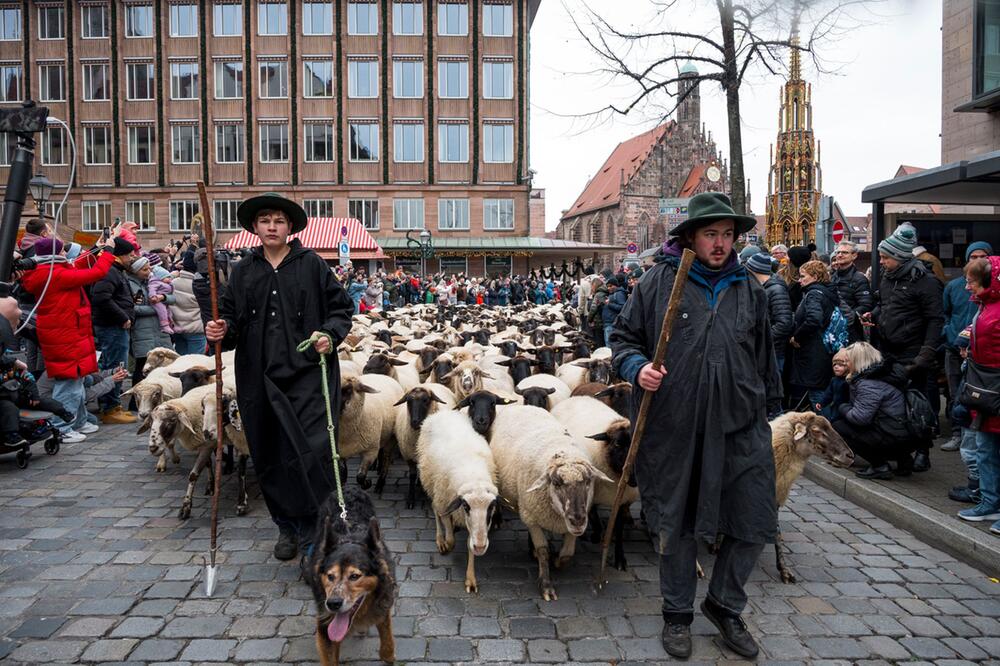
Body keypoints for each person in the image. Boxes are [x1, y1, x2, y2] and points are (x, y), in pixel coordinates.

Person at [611, 192, 779, 660]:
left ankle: (724, 605)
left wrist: (771, 408)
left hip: (740, 424)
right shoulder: (658, 283)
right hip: (676, 426)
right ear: (690, 237)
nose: (721, 243)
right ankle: (677, 615)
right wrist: (637, 367)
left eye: (728, 235)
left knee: (754, 520)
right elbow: (622, 339)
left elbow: (765, 357)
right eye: (711, 234)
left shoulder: (750, 288)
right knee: (677, 523)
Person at [206, 193, 354, 561]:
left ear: (290, 228)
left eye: (279, 221)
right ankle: (286, 525)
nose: (272, 226)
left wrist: (329, 335)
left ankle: (313, 528)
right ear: (255, 227)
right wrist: (218, 330)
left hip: (307, 375)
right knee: (269, 451)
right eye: (265, 220)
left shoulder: (312, 265)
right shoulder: (243, 271)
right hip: (258, 376)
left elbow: (341, 308)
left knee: (313, 452)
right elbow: (231, 321)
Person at [19, 236, 118, 441]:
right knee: (69, 384)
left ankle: (79, 421)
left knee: (76, 381)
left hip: (67, 332)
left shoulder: (49, 270)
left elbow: (75, 265)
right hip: (65, 334)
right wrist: (108, 251)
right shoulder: (54, 274)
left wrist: (96, 249)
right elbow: (97, 272)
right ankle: (61, 427)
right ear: (55, 255)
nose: (66, 254)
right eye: (63, 251)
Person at [863, 224, 944, 473]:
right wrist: (873, 315)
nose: (882, 262)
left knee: (918, 404)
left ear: (899, 257)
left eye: (886, 257)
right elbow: (886, 306)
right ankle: (902, 451)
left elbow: (935, 319)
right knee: (895, 405)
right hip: (889, 349)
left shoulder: (925, 281)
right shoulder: (888, 279)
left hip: (914, 352)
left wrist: (926, 353)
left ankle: (923, 450)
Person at [956, 255, 1000, 534]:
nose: (967, 287)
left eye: (972, 282)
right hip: (983, 388)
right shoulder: (984, 307)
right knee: (985, 450)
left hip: (993, 386)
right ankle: (990, 501)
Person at [941, 241, 993, 451]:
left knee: (976, 396)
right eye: (973, 257)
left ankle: (974, 439)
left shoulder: (991, 287)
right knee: (956, 394)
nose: (978, 260)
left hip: (979, 353)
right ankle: (957, 434)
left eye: (982, 256)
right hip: (954, 348)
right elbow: (945, 312)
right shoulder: (954, 286)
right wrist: (949, 332)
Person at [833, 342, 912, 479]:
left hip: (893, 435)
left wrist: (842, 407)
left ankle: (880, 466)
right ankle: (904, 461)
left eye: (848, 360)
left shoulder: (868, 383)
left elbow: (860, 418)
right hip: (902, 431)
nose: (846, 363)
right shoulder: (881, 373)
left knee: (840, 426)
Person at [88, 236, 141, 424]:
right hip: (112, 327)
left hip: (114, 326)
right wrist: (123, 316)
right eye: (129, 255)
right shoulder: (110, 272)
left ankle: (114, 404)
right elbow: (101, 297)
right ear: (119, 256)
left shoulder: (115, 271)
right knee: (115, 367)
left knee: (116, 365)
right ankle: (110, 407)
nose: (132, 258)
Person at [787, 260, 838, 410]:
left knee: (817, 397)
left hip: (813, 352)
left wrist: (797, 336)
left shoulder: (814, 294)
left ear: (815, 277)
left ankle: (825, 430)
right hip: (822, 350)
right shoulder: (827, 292)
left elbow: (814, 320)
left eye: (803, 276)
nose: (799, 280)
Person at [745, 253, 792, 374]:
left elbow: (784, 323)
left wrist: (763, 337)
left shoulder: (776, 289)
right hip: (765, 350)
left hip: (773, 351)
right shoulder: (764, 288)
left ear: (753, 271)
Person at [830, 240, 873, 343]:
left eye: (844, 252)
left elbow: (866, 305)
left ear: (854, 256)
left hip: (851, 331)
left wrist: (847, 318)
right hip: (833, 329)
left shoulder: (859, 278)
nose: (839, 255)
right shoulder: (832, 277)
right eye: (838, 252)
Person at [168, 252, 208, 355]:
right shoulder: (200, 285)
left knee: (182, 363)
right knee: (196, 363)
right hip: (196, 329)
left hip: (178, 328)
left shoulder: (173, 283)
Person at [815, 348, 851, 422]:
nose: (836, 367)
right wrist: (822, 403)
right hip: (835, 408)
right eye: (834, 364)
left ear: (848, 367)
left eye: (840, 365)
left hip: (847, 409)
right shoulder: (834, 380)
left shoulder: (849, 381)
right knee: (834, 421)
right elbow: (829, 394)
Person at [603, 276, 625, 347]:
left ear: (615, 285)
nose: (609, 288)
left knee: (610, 346)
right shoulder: (612, 294)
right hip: (609, 324)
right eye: (607, 286)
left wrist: (609, 304)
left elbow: (622, 307)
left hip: (612, 324)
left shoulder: (618, 294)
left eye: (611, 286)